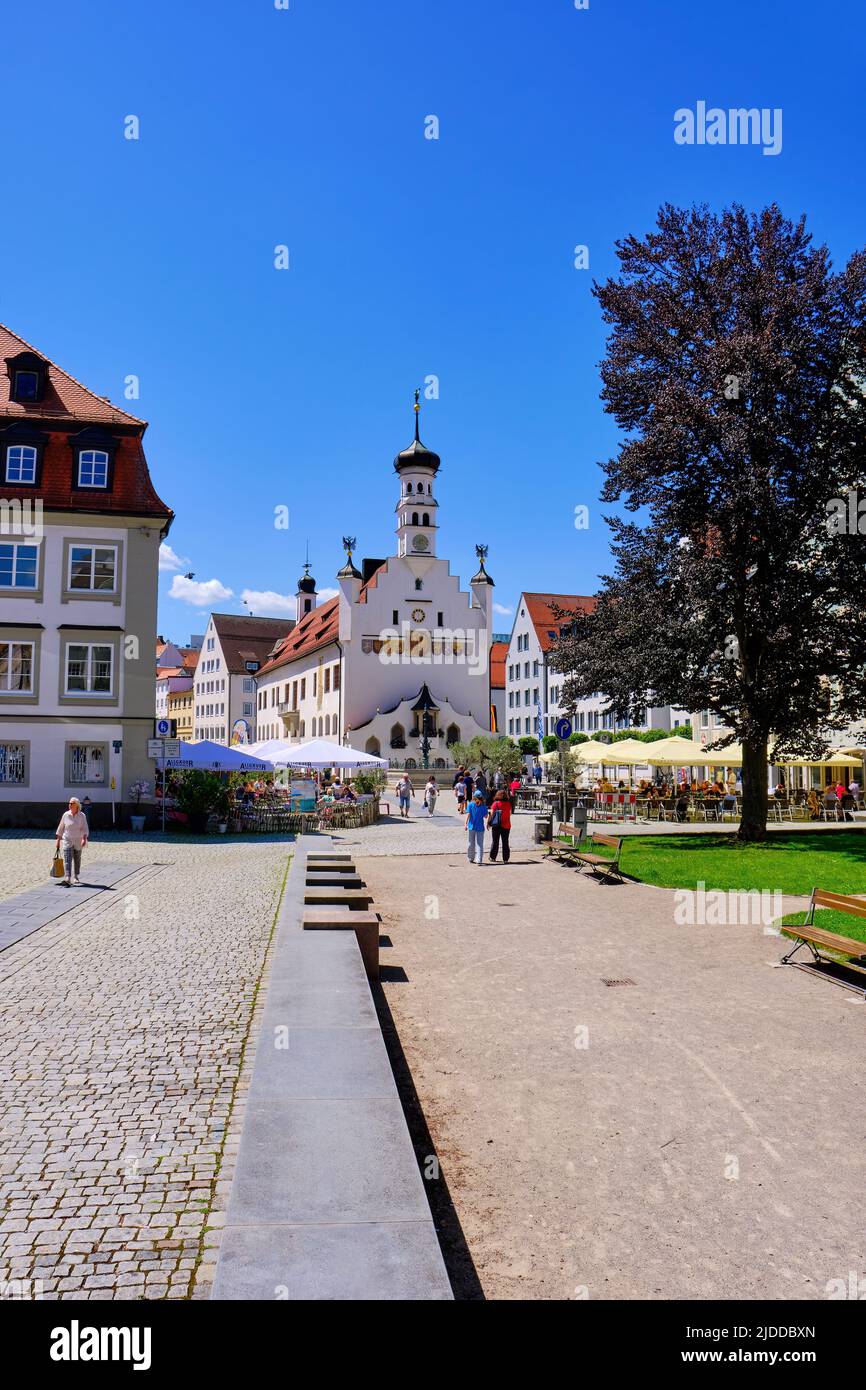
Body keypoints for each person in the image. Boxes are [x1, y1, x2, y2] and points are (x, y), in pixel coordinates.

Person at [55, 796, 89, 886]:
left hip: (78, 839)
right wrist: (58, 840)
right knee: (67, 859)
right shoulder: (66, 814)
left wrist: (84, 839)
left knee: (77, 859)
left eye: (72, 803)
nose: (69, 805)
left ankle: (76, 876)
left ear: (77, 805)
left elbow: (85, 828)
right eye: (69, 803)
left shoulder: (82, 816)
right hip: (67, 839)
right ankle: (67, 877)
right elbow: (61, 828)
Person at [488, 788, 512, 863]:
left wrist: (488, 823)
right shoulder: (508, 803)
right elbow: (510, 813)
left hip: (496, 825)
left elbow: (491, 814)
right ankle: (505, 859)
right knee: (505, 842)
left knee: (495, 841)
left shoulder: (495, 803)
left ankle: (493, 857)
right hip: (506, 825)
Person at [465, 790, 488, 865]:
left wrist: (465, 824)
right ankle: (479, 860)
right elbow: (485, 816)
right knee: (480, 844)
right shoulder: (484, 806)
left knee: (471, 843)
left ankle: (471, 857)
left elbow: (468, 815)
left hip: (471, 826)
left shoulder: (471, 804)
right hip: (480, 827)